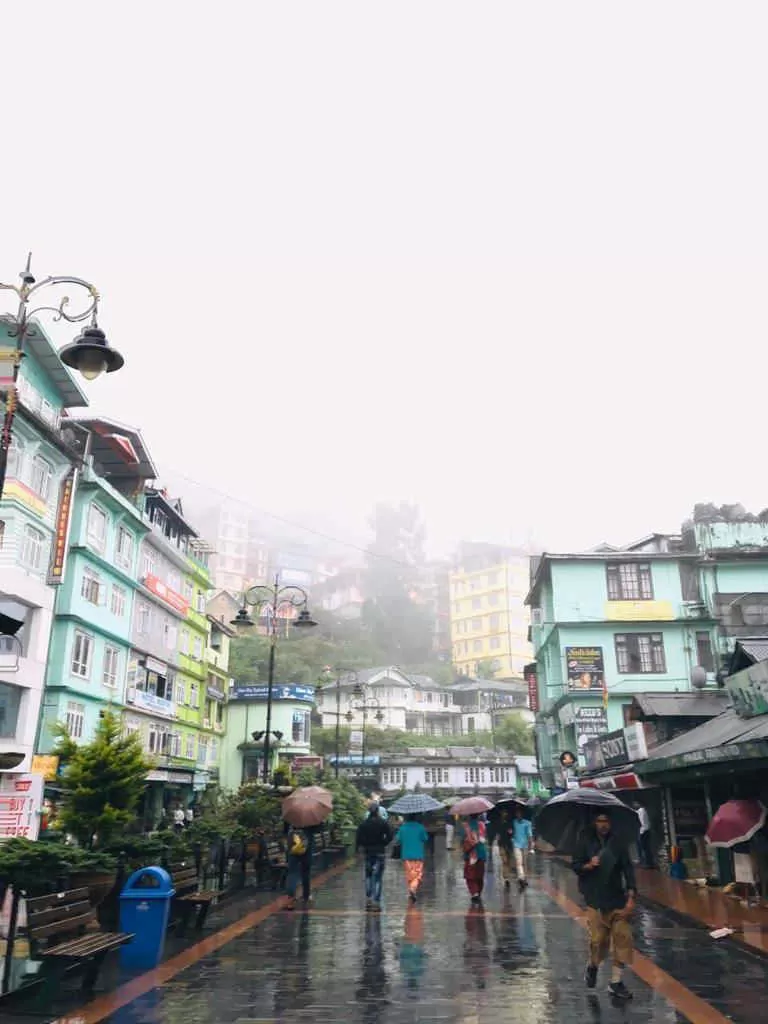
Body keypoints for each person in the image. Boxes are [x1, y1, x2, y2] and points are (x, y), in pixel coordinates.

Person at [572, 811, 636, 1002]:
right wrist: (589, 865)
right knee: (598, 941)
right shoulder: (585, 841)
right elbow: (576, 866)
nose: (603, 824)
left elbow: (628, 868)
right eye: (600, 820)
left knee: (623, 937)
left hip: (616, 899)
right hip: (595, 900)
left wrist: (631, 895)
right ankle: (593, 965)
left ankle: (616, 982)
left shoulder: (618, 843)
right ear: (594, 822)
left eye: (606, 820)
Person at [356, 802, 393, 911]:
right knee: (378, 878)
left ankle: (368, 897)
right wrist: (384, 843)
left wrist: (363, 845)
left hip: (368, 852)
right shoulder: (383, 823)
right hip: (380, 851)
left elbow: (358, 838)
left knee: (368, 875)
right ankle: (376, 901)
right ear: (377, 811)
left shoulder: (363, 824)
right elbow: (390, 835)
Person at [395, 814, 429, 902]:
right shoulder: (420, 827)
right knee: (418, 874)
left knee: (409, 874)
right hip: (418, 855)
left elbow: (397, 839)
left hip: (406, 855)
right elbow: (425, 838)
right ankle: (412, 889)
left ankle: (411, 891)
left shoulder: (403, 828)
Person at [285, 824, 314, 910]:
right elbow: (318, 829)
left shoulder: (291, 817)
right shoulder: (310, 820)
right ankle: (306, 896)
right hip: (306, 848)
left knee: (292, 873)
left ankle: (290, 899)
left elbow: (285, 830)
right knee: (305, 873)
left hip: (293, 847)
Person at [462, 814, 487, 905]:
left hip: (470, 855)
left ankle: (474, 892)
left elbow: (462, 840)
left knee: (470, 876)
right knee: (479, 875)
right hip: (481, 854)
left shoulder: (465, 826)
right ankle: (478, 892)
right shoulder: (482, 825)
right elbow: (484, 838)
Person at [511, 805, 534, 890]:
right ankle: (521, 878)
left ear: (522, 814)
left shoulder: (527, 823)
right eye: (517, 813)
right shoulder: (513, 822)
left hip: (525, 845)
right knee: (519, 862)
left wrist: (531, 846)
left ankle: (524, 878)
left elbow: (530, 835)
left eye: (520, 813)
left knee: (524, 863)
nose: (518, 815)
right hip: (516, 844)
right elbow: (511, 832)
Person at [634, 802, 653, 868]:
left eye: (635, 803)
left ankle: (648, 863)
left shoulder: (641, 811)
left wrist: (640, 833)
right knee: (642, 848)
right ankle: (643, 862)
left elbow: (642, 823)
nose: (634, 805)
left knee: (645, 848)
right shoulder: (639, 811)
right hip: (643, 831)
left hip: (643, 832)